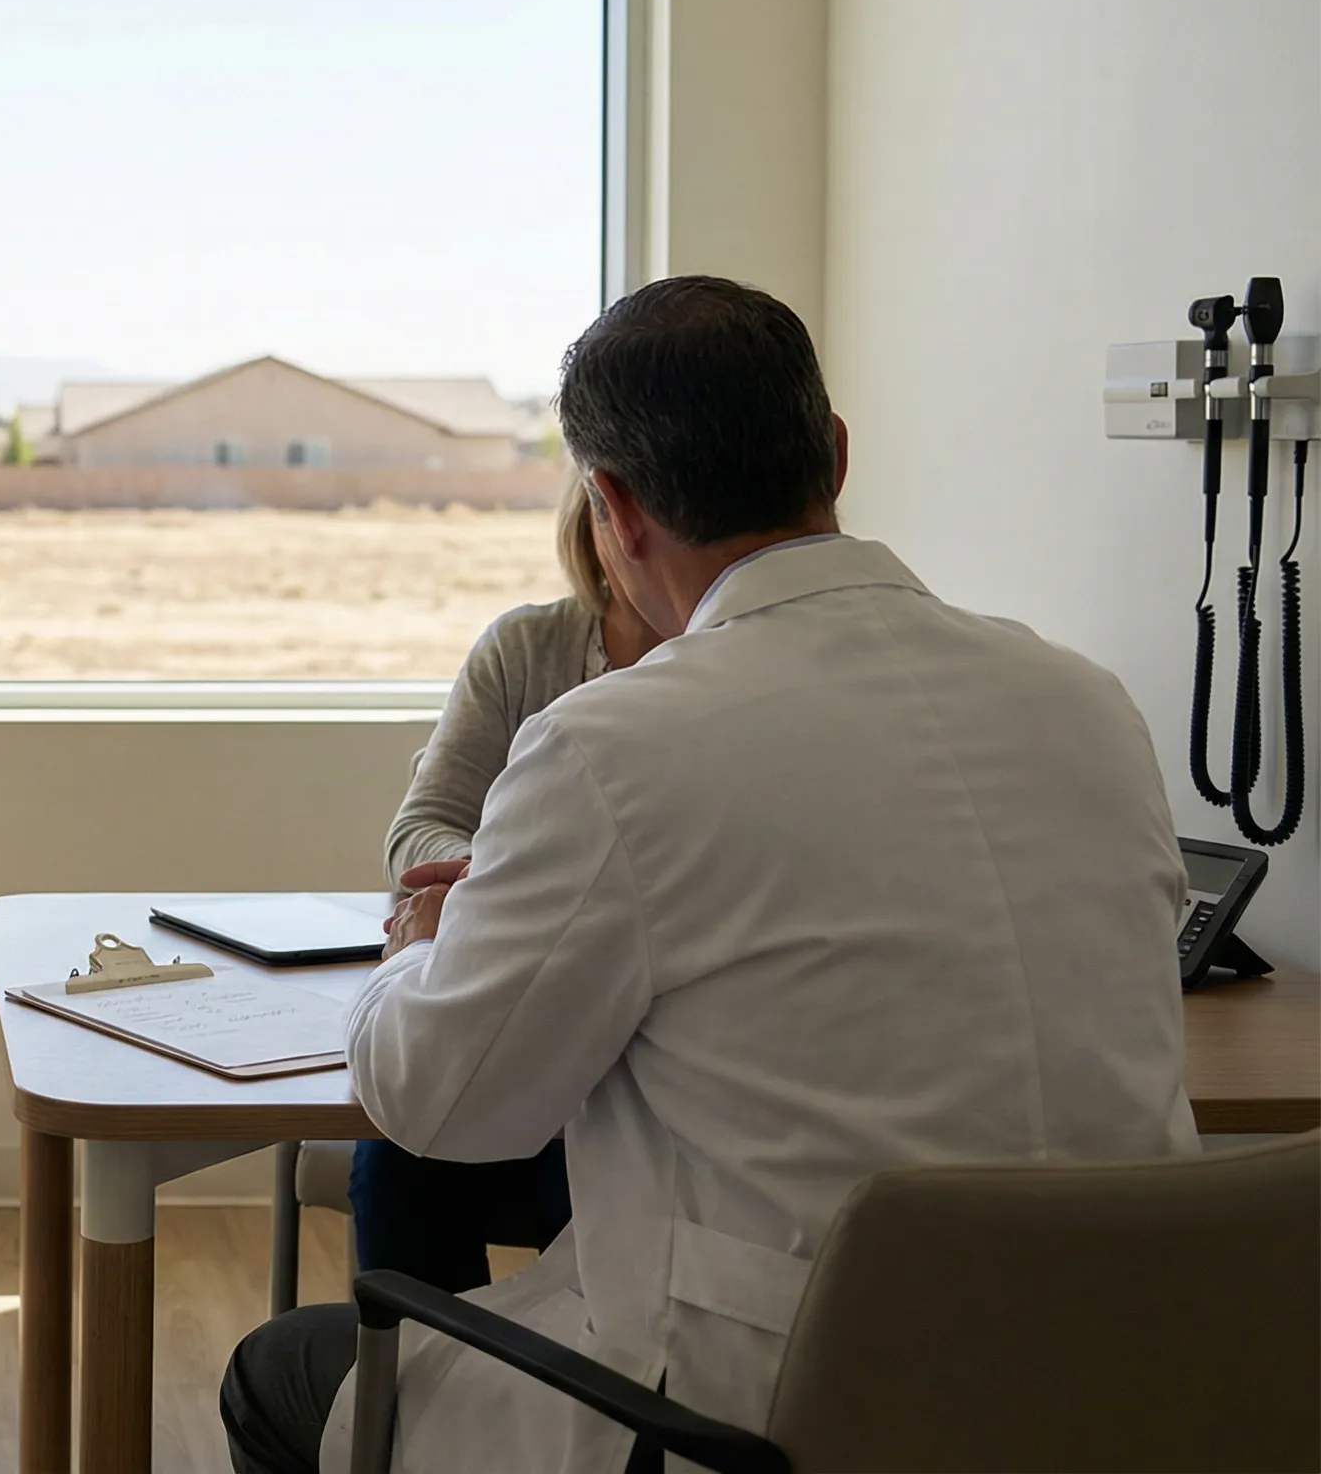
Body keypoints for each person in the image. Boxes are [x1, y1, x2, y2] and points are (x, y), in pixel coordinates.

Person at [222, 276, 1197, 1474]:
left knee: (280, 1373)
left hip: (775, 1410)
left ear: (613, 507)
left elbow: (439, 1103)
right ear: (832, 456)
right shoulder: (1086, 702)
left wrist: (416, 951)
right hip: (1127, 1389)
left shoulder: (615, 745)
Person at [347, 476, 665, 1289]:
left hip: (641, 1084)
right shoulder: (526, 649)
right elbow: (419, 831)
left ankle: (549, 1385)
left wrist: (528, 887)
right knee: (398, 1160)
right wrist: (520, 881)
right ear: (600, 517)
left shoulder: (728, 676)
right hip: (527, 1036)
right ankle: (429, 1391)